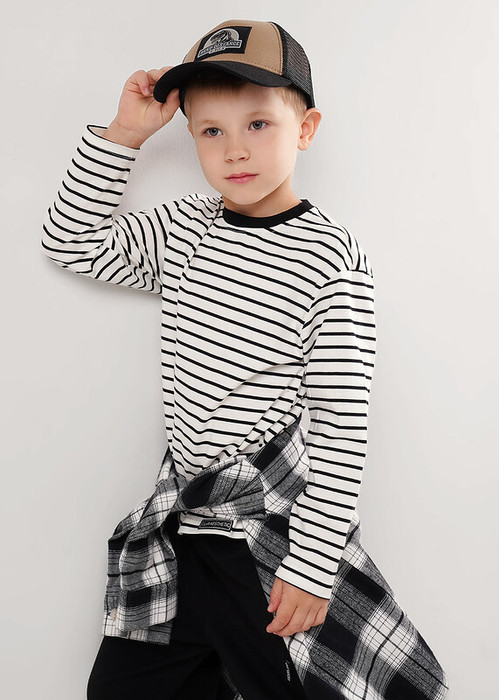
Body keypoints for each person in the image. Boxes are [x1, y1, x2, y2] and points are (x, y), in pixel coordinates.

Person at [41, 18, 449, 700]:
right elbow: (72, 243)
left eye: (258, 124)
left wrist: (312, 566)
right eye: (211, 131)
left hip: (262, 543)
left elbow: (342, 424)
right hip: (177, 533)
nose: (235, 149)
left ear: (305, 128)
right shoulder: (186, 227)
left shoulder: (330, 258)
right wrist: (125, 135)